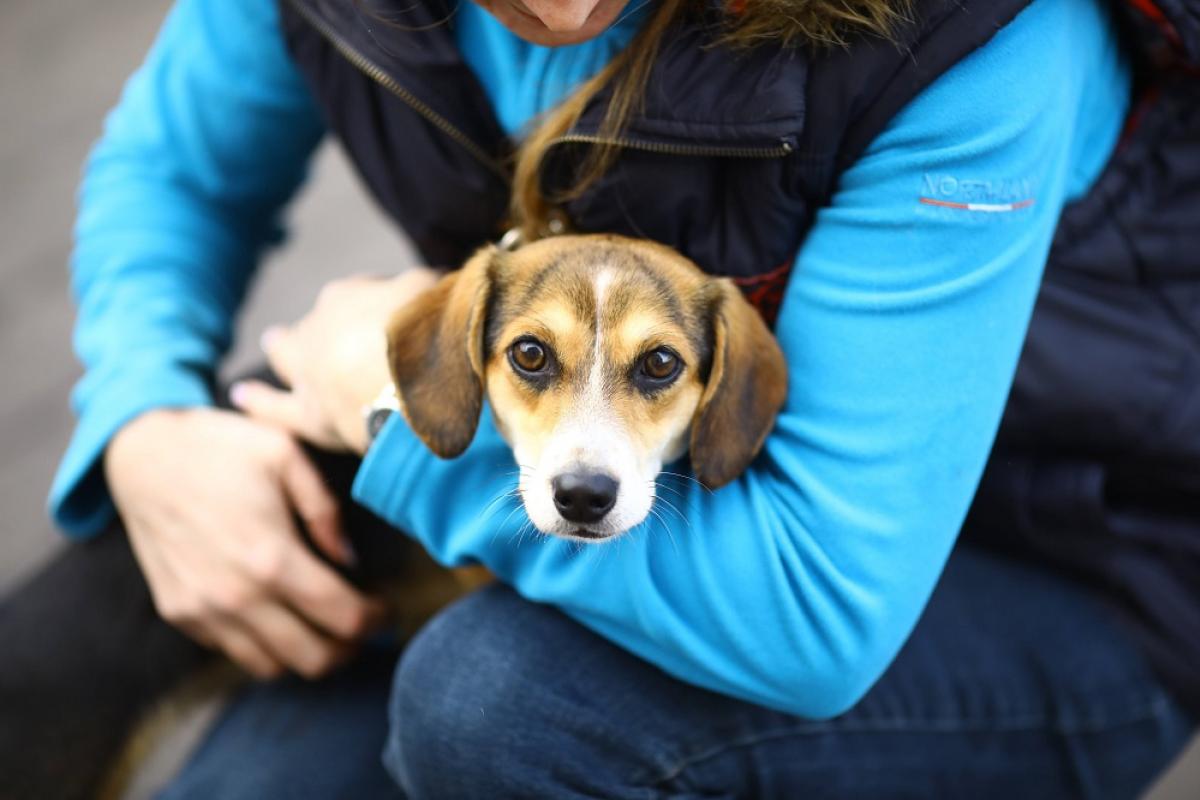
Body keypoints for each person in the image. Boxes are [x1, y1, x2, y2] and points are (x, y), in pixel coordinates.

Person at [12, 0, 1198, 795]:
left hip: (1081, 572)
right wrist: (143, 421)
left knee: (497, 707)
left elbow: (819, 614)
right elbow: (175, 169)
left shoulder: (982, 35)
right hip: (591, 530)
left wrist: (388, 412)